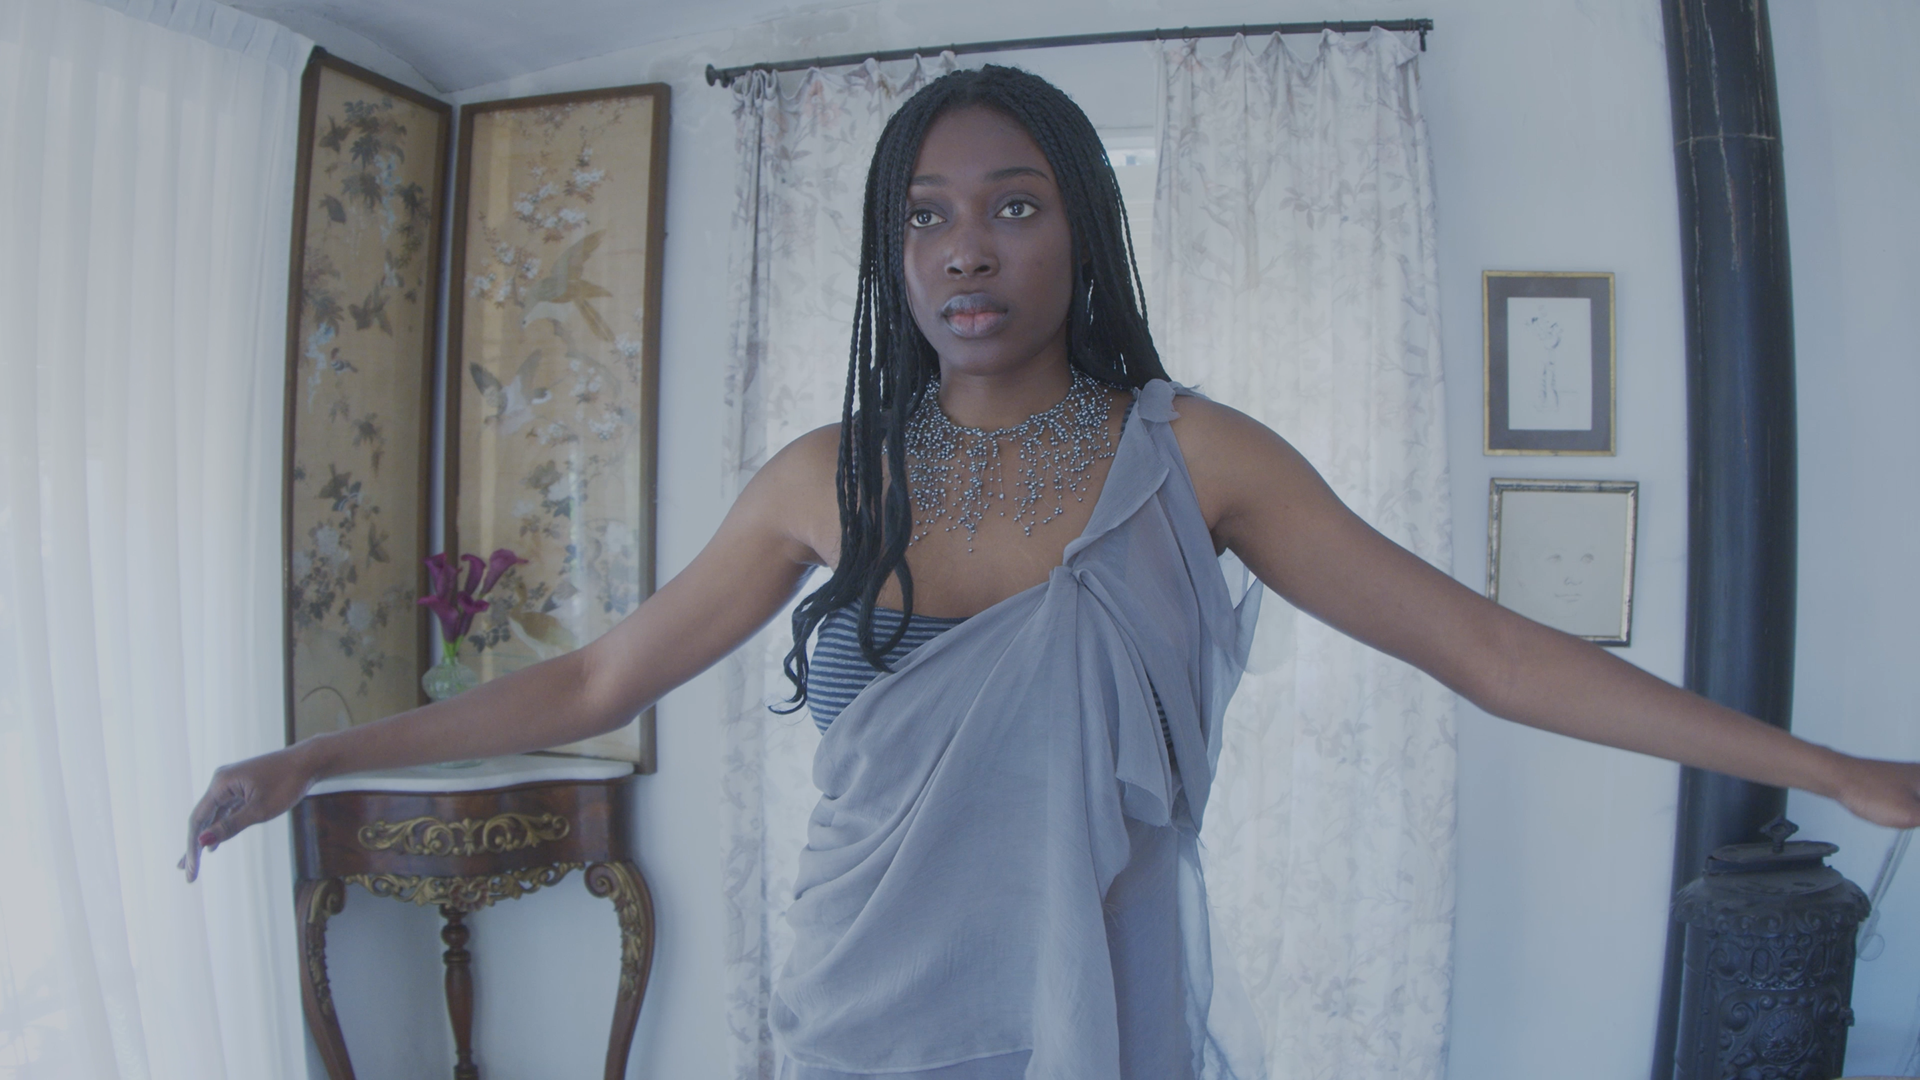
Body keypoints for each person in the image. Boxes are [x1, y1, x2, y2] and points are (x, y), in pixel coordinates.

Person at [183, 66, 1920, 1078]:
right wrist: (314, 759)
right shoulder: (826, 476)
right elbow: (589, 682)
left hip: (1100, 1011)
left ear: (1082, 229)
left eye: (1013, 206)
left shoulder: (1200, 459)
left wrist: (1829, 768)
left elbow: (1493, 655)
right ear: (893, 254)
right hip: (863, 1012)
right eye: (927, 216)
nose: (967, 248)